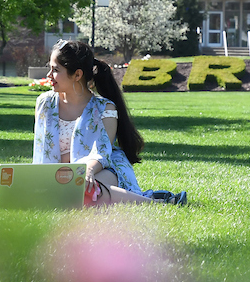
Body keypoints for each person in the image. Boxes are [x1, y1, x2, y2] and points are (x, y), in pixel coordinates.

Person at [33, 40, 187, 206]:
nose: (49, 75)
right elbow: (43, 148)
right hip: (60, 173)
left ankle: (156, 204)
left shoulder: (105, 108)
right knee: (60, 194)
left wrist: (86, 172)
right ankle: (153, 198)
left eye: (55, 70)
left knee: (82, 189)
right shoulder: (45, 103)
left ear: (77, 75)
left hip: (102, 169)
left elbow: (102, 153)